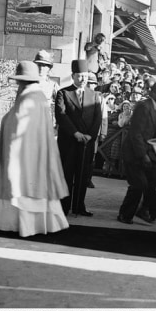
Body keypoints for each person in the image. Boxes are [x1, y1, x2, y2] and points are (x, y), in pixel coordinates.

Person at [0, 61, 69, 237]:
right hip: (35, 155)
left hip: (24, 157)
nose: (17, 85)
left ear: (23, 81)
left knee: (22, 191)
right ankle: (39, 225)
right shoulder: (38, 96)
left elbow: (18, 129)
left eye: (19, 81)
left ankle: (22, 226)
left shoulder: (28, 99)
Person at [117, 82, 156, 224]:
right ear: (155, 93)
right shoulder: (143, 106)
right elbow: (136, 134)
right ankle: (124, 214)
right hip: (134, 153)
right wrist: (143, 155)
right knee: (138, 184)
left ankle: (144, 209)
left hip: (146, 152)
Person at [55, 60, 102, 216]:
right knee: (67, 175)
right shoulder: (63, 93)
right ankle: (64, 207)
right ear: (73, 76)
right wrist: (75, 133)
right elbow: (61, 116)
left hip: (86, 143)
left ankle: (79, 207)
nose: (83, 79)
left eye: (85, 76)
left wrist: (90, 135)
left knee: (83, 176)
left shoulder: (94, 95)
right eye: (79, 76)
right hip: (68, 142)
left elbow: (97, 118)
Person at [33, 50, 59, 128]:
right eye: (39, 64)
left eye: (44, 65)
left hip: (45, 123)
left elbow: (60, 106)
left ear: (49, 68)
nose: (41, 68)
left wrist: (57, 124)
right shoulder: (29, 83)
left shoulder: (53, 85)